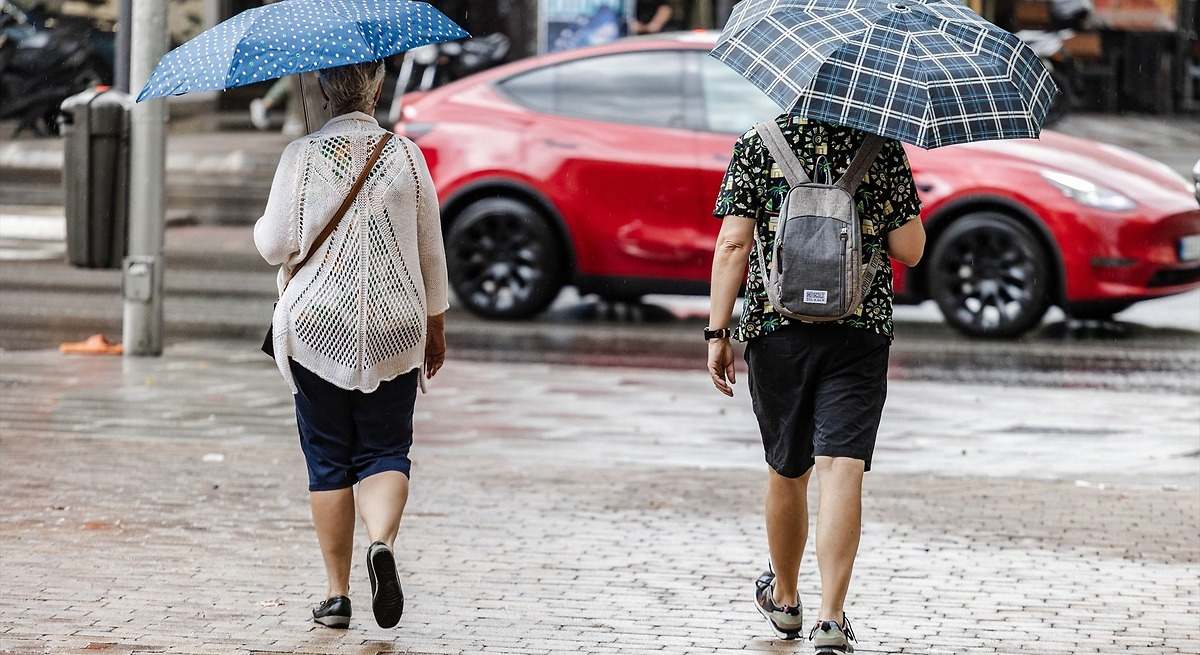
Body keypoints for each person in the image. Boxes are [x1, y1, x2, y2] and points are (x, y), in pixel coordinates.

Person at [707, 115, 925, 652]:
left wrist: (717, 331)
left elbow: (734, 244)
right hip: (859, 329)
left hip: (776, 328)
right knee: (842, 467)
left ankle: (784, 600)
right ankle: (831, 616)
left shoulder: (761, 142)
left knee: (788, 467)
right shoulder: (881, 149)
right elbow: (910, 249)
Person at [253, 59, 449, 631]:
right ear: (379, 87)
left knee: (328, 458)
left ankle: (336, 596)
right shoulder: (407, 157)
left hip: (316, 330)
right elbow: (431, 251)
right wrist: (436, 330)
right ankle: (381, 543)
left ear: (318, 88)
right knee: (386, 450)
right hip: (396, 327)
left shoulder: (301, 156)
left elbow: (272, 246)